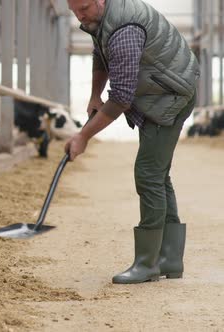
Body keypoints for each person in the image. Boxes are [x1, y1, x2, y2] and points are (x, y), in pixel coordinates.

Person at [65, 0, 200, 284]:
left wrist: (83, 136)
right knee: (158, 174)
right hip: (161, 88)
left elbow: (122, 98)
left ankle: (147, 264)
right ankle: (170, 259)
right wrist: (93, 95)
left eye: (85, 8)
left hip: (169, 95)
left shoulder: (125, 28)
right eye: (74, 10)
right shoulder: (103, 19)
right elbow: (101, 55)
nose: (80, 15)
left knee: (149, 173)